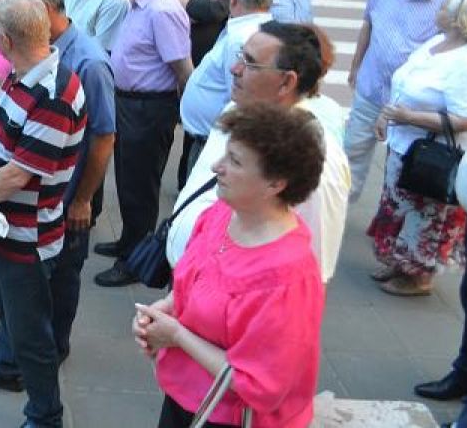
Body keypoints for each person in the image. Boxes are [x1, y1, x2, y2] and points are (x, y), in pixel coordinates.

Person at [136, 102, 326, 428]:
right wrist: (165, 308)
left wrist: (176, 335)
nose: (216, 166)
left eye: (234, 161)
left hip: (229, 418)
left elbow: (261, 386)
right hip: (188, 399)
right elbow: (192, 284)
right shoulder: (221, 215)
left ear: (275, 184)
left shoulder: (287, 277)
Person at [0, 0, 87, 428]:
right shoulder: (19, 73)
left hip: (26, 239)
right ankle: (7, 369)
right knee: (8, 314)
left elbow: (17, 175)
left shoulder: (55, 94)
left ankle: (46, 415)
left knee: (32, 335)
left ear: (6, 40)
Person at [168, 21, 352, 285]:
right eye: (240, 56)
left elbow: (310, 272)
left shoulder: (318, 162)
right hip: (195, 279)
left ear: (286, 82)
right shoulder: (238, 109)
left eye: (251, 63)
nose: (235, 69)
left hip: (236, 298)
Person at [95, 0, 193, 287]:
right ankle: (128, 240)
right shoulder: (140, 4)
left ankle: (135, 261)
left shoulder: (162, 9)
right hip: (129, 104)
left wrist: (180, 113)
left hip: (148, 109)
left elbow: (182, 68)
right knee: (126, 179)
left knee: (140, 186)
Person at [367, 0, 467, 296]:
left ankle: (418, 276)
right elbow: (404, 83)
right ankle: (399, 264)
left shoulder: (465, 61)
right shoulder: (436, 42)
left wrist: (409, 117)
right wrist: (387, 115)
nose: (438, 10)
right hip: (405, 145)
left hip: (432, 153)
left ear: (458, 19)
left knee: (424, 215)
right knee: (400, 206)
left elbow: (465, 118)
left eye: (444, 8)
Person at [344, 0, 458, 202]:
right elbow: (368, 24)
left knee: (401, 165)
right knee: (352, 155)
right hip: (371, 90)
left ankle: (390, 215)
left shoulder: (448, 0)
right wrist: (356, 66)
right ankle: (340, 209)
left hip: (410, 106)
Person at [178, 0, 275, 182]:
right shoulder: (252, 29)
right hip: (211, 137)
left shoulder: (241, 38)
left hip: (214, 143)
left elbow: (239, 96)